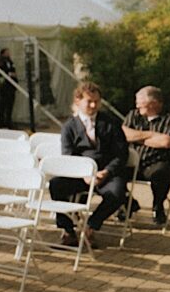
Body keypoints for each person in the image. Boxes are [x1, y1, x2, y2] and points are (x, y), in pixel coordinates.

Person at [52, 82, 129, 247]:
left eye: (97, 101)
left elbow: (121, 154)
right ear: (78, 101)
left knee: (118, 193)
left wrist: (106, 172)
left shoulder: (111, 123)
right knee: (55, 185)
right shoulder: (69, 127)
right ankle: (68, 230)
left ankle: (91, 225)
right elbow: (68, 156)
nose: (94, 105)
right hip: (81, 175)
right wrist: (84, 174)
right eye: (89, 101)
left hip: (106, 174)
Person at [122, 86, 170, 225]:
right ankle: (128, 203)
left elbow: (167, 142)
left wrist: (137, 137)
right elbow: (123, 134)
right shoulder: (134, 115)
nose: (137, 105)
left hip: (158, 163)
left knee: (161, 173)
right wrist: (150, 135)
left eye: (140, 102)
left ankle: (158, 206)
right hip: (134, 162)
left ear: (154, 103)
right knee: (111, 172)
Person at [0, 48, 18, 128]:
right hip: (4, 87)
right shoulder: (0, 61)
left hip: (11, 87)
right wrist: (9, 74)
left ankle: (8, 122)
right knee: (3, 105)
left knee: (10, 105)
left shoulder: (10, 61)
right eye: (7, 52)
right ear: (3, 53)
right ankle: (1, 122)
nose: (9, 54)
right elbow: (0, 73)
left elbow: (13, 71)